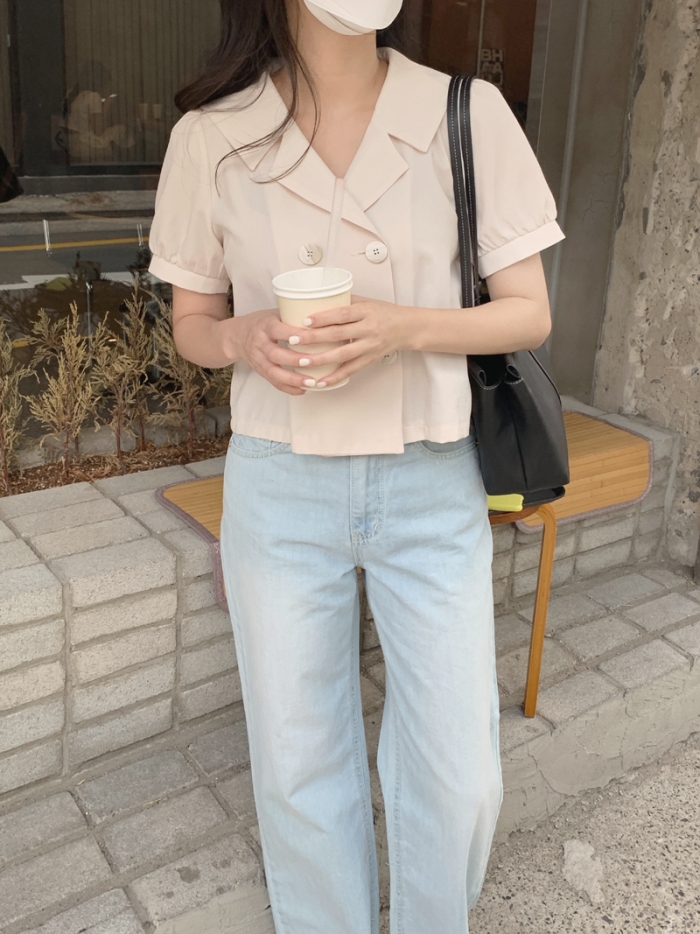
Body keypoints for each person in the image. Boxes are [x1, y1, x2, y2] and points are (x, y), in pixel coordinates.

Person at [148, 1, 564, 931]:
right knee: (298, 759)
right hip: (279, 478)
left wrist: (401, 327)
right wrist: (242, 336)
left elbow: (529, 312)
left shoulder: (465, 112)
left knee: (459, 768)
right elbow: (193, 326)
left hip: (430, 476)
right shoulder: (212, 136)